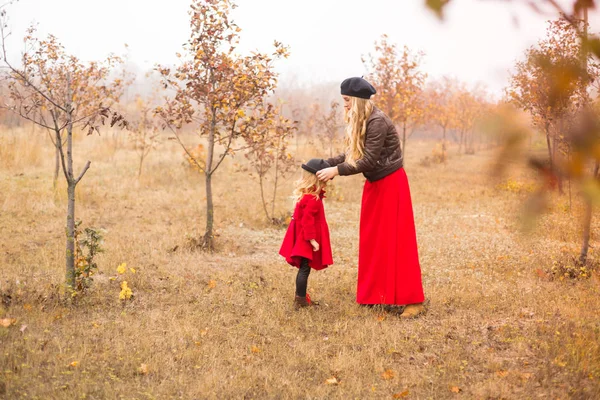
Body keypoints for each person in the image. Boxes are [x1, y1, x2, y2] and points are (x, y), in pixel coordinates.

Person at [316, 77, 426, 318]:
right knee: (373, 241)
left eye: (346, 101)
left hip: (391, 185)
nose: (344, 105)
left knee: (398, 241)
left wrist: (337, 171)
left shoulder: (377, 121)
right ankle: (376, 294)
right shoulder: (364, 119)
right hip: (376, 185)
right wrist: (326, 163)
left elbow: (368, 160)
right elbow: (352, 153)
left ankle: (413, 301)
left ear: (356, 100)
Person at [279, 158, 333, 309]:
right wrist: (312, 240)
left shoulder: (306, 195)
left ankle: (300, 297)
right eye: (325, 181)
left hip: (301, 235)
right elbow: (307, 221)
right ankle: (300, 299)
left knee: (304, 267)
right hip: (305, 238)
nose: (326, 184)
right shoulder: (313, 199)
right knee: (304, 268)